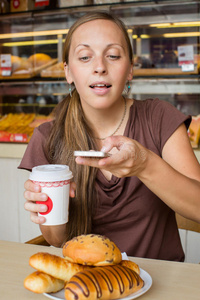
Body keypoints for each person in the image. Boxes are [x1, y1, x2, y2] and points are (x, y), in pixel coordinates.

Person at [19, 11, 200, 261]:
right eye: (84, 57)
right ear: (68, 72)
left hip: (162, 284)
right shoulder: (48, 137)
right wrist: (49, 208)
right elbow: (56, 239)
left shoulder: (159, 118)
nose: (100, 67)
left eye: (113, 56)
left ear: (130, 70)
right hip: (88, 286)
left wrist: (145, 164)